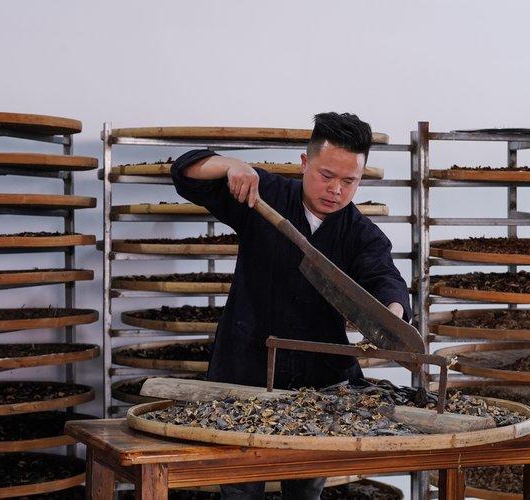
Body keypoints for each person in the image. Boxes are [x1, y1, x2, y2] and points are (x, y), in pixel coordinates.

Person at [171, 112, 412, 500]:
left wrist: (391, 316)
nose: (335, 189)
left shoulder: (362, 235)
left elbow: (387, 282)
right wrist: (231, 165)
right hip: (244, 371)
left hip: (318, 386)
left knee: (305, 490)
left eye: (349, 181)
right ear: (304, 163)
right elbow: (185, 171)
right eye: (326, 175)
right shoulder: (263, 194)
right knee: (239, 490)